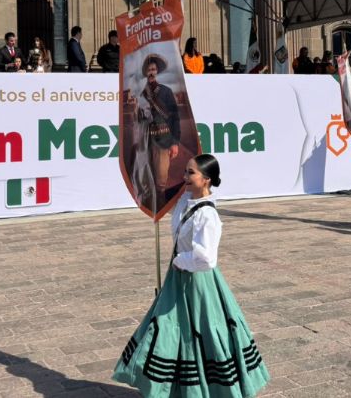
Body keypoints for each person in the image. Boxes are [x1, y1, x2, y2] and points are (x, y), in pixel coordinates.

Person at [113, 154, 270, 396]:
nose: (185, 177)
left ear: (206, 179)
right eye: (186, 171)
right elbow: (170, 212)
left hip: (197, 282)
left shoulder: (207, 215)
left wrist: (179, 260)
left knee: (188, 331)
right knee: (170, 328)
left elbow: (207, 259)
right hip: (177, 279)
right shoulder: (186, 201)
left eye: (191, 173)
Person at [141, 54, 180, 205]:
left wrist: (175, 141)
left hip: (163, 138)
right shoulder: (140, 92)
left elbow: (174, 118)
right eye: (149, 69)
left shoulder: (165, 91)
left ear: (157, 71)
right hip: (144, 138)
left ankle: (161, 204)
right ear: (145, 72)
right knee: (145, 175)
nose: (151, 72)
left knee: (161, 178)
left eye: (154, 69)